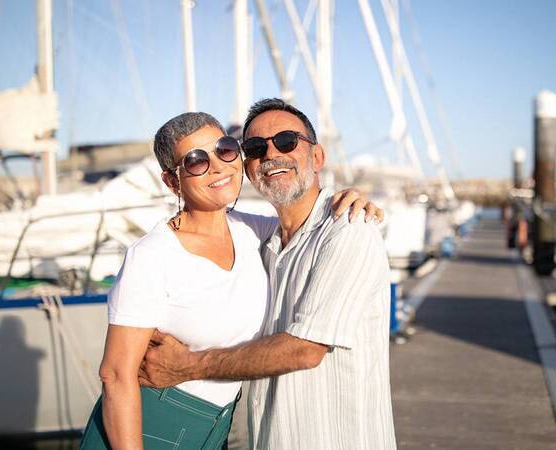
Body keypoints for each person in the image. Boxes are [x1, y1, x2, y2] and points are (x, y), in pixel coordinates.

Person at [79, 111, 383, 450]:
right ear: (172, 181)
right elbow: (116, 375)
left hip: (215, 426)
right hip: (148, 423)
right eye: (196, 161)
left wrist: (346, 197)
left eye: (224, 150)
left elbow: (305, 215)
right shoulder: (151, 255)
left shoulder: (255, 232)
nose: (218, 166)